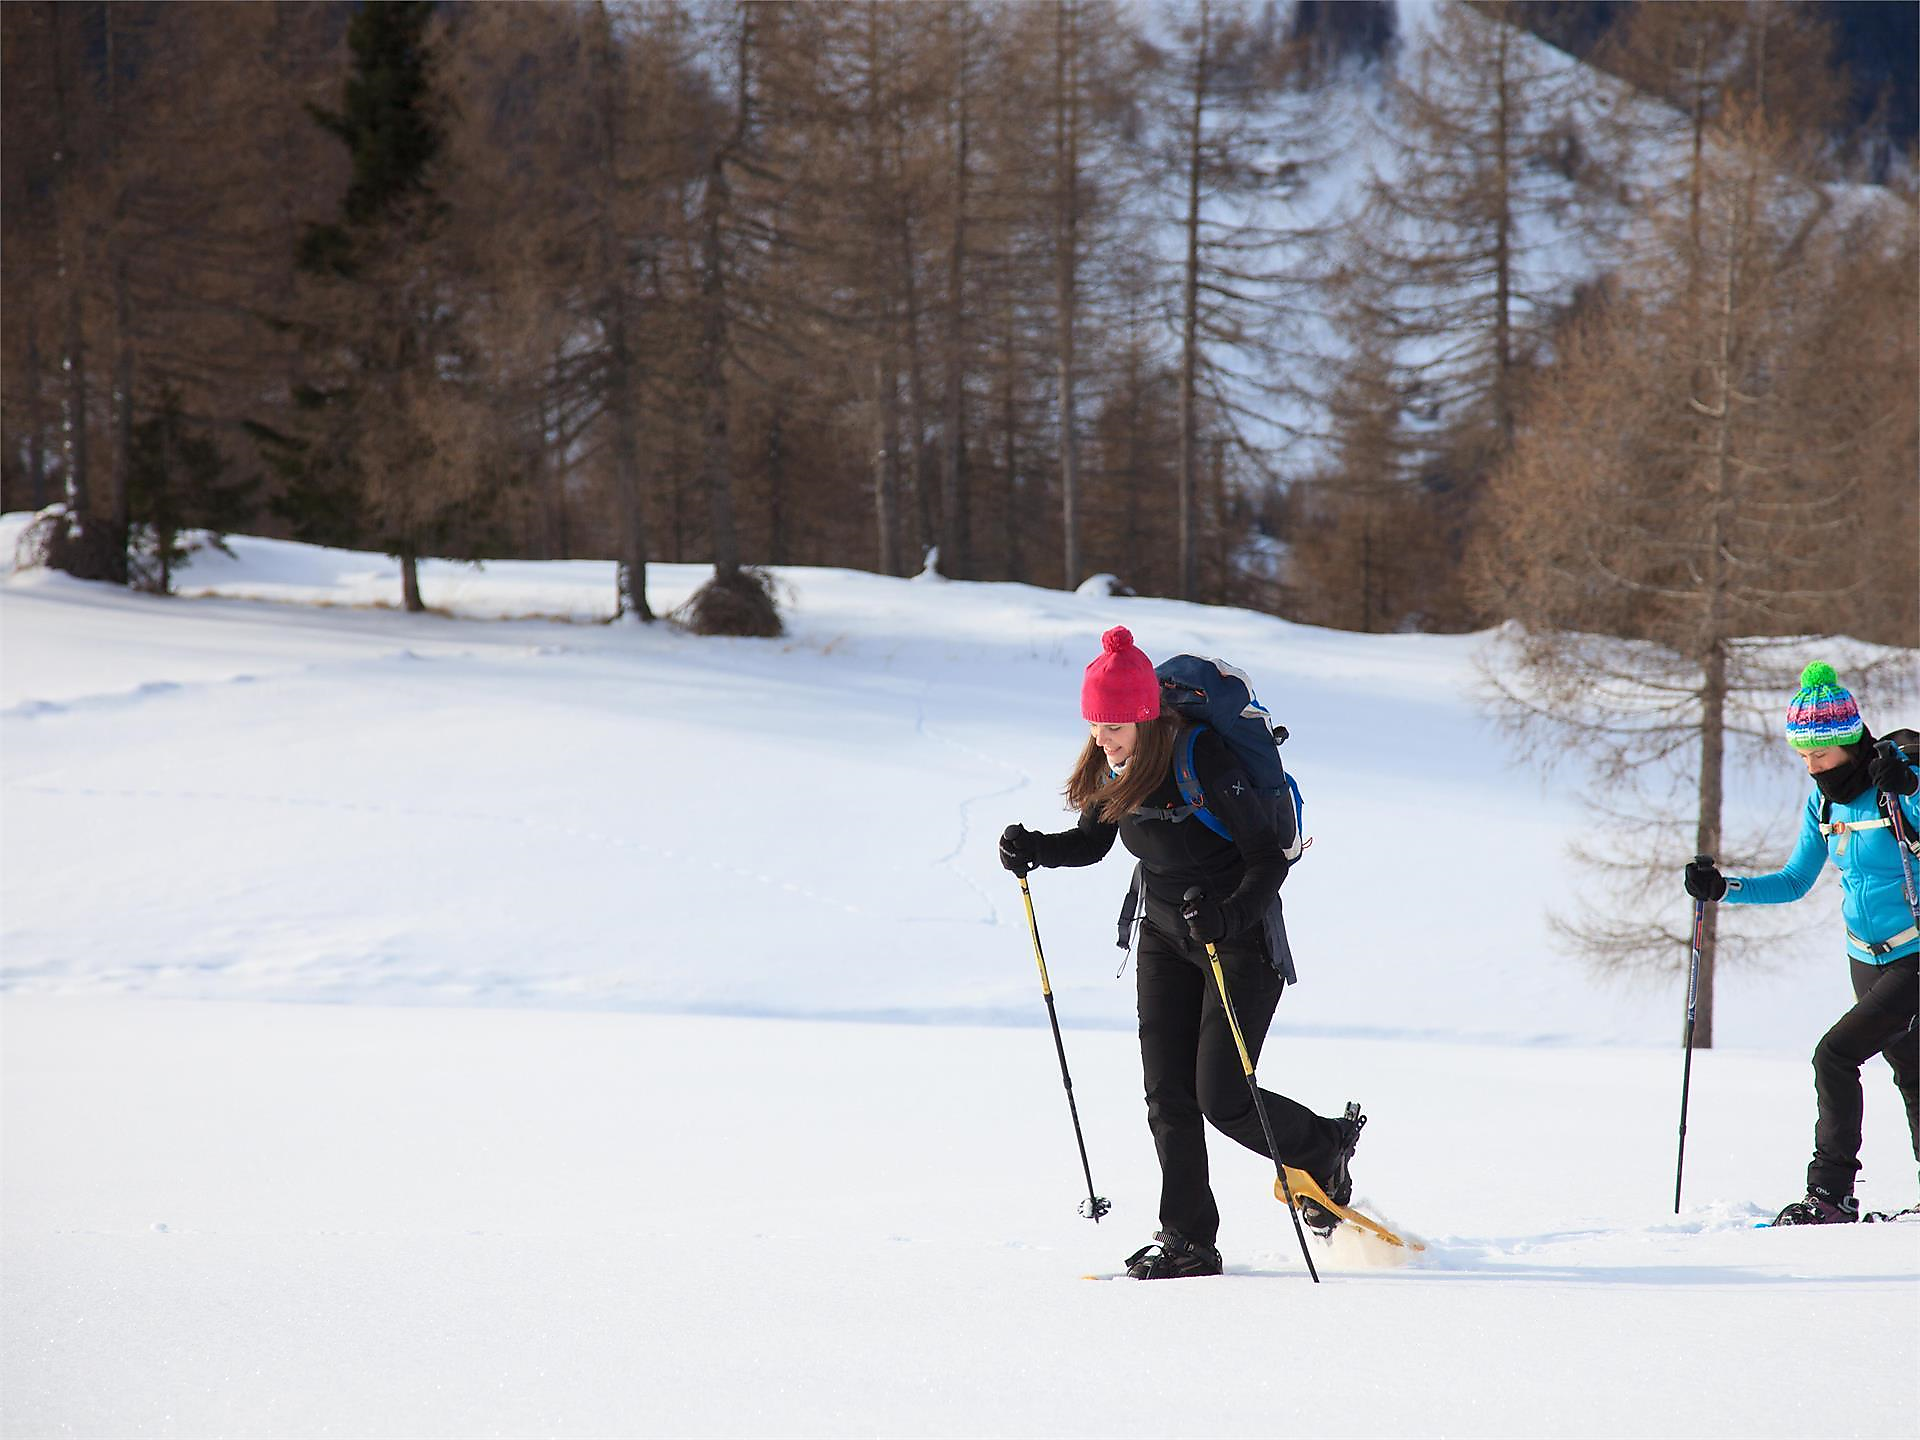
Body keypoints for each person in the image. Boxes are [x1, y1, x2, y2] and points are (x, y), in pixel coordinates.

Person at [999, 625, 1363, 1278]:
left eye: (1114, 726)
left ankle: (1324, 1147)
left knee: (1221, 1098)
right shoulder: (1111, 763)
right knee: (1167, 1095)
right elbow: (1093, 843)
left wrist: (1227, 912)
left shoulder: (1202, 758)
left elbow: (1266, 859)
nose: (1103, 739)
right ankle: (1189, 1239)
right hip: (1164, 937)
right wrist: (1035, 849)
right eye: (1094, 724)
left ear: (1145, 715)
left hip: (1239, 942)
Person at [1684, 662, 1920, 1225]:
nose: (1811, 767)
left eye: (1820, 755)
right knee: (1911, 1069)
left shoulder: (1899, 784)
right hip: (1864, 955)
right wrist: (1724, 889)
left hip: (1915, 951)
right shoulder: (1825, 804)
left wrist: (1909, 792)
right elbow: (1794, 881)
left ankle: (1830, 1195)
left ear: (1849, 743)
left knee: (1834, 1055)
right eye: (1803, 756)